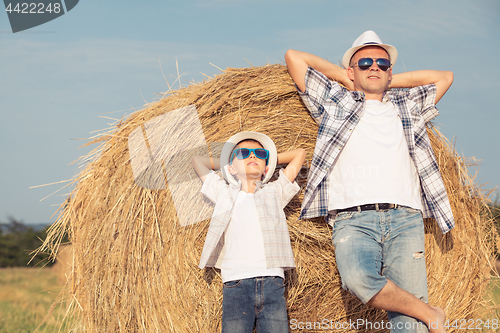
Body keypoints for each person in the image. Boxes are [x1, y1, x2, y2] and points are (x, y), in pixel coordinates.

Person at [285, 30, 455, 333]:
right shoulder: (336, 102)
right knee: (358, 280)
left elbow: (444, 77)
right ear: (352, 70)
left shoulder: (406, 104)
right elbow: (295, 58)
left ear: (391, 71)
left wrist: (388, 80)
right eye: (364, 63)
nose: (374, 67)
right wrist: (345, 77)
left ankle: (422, 315)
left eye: (381, 63)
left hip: (405, 216)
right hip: (353, 217)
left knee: (407, 324)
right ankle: (431, 314)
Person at [192, 131, 306, 333]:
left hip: (272, 281)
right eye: (244, 153)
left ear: (267, 167)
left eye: (259, 154)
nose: (252, 156)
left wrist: (269, 157)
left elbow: (299, 154)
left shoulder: (274, 192)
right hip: (235, 283)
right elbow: (198, 161)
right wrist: (230, 164)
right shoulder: (224, 193)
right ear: (231, 168)